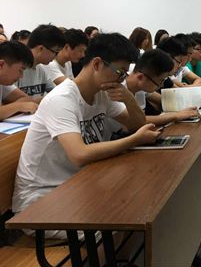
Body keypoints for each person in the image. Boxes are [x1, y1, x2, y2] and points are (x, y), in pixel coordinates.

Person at [12, 33, 156, 238]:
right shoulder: (62, 99)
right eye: (120, 72)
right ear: (97, 64)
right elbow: (79, 154)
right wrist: (134, 140)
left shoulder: (102, 94)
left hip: (76, 185)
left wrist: (129, 99)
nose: (121, 80)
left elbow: (137, 123)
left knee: (138, 202)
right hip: (39, 199)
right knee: (117, 224)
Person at [16, 24, 65, 97]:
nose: (56, 56)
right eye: (55, 52)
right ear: (41, 48)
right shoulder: (16, 68)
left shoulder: (40, 69)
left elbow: (56, 93)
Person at [0, 41, 40, 120]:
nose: (21, 76)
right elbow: (23, 104)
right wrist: (18, 106)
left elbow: (26, 98)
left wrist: (5, 110)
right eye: (20, 70)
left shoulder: (2, 82)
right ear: (1, 65)